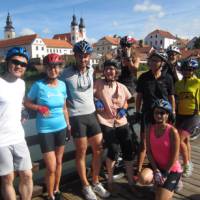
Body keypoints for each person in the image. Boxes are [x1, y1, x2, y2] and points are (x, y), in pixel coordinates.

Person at [60, 40, 110, 200]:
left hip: (92, 114)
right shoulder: (65, 73)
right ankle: (85, 186)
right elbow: (58, 90)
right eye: (80, 55)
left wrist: (98, 100)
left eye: (86, 55)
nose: (83, 58)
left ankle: (95, 181)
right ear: (75, 56)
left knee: (98, 149)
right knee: (81, 152)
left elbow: (92, 90)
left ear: (89, 56)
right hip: (76, 117)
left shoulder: (91, 70)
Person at [24, 53, 70, 200]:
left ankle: (56, 189)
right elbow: (26, 102)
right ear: (45, 68)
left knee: (59, 161)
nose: (53, 70)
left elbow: (64, 108)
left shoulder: (62, 85)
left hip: (61, 128)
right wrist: (38, 108)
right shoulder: (38, 85)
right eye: (50, 67)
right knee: (51, 167)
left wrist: (68, 124)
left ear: (60, 68)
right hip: (45, 130)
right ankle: (50, 195)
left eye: (56, 66)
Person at [94, 59, 136, 193]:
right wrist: (96, 101)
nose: (109, 71)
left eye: (112, 69)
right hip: (106, 122)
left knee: (128, 151)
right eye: (107, 69)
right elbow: (89, 96)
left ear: (116, 71)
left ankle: (131, 182)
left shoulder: (122, 86)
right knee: (113, 150)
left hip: (122, 122)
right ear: (103, 71)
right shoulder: (98, 84)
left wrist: (124, 108)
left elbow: (127, 102)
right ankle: (110, 181)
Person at [135, 50, 176, 175]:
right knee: (144, 144)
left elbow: (171, 97)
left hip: (163, 115)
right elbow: (139, 97)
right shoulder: (143, 77)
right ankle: (139, 170)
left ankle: (166, 168)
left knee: (165, 142)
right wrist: (137, 111)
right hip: (147, 113)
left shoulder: (168, 78)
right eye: (151, 60)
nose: (152, 63)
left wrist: (173, 112)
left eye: (156, 61)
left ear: (162, 63)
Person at [0, 47, 33, 200]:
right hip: (1, 141)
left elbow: (19, 104)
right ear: (8, 62)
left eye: (23, 64)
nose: (19, 66)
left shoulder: (21, 84)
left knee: (27, 175)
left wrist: (23, 111)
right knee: (7, 178)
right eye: (15, 62)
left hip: (18, 137)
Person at [139, 99, 182, 200]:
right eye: (156, 112)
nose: (158, 115)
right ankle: (158, 184)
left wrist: (165, 173)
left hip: (171, 169)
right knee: (142, 178)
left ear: (168, 115)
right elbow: (148, 152)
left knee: (160, 199)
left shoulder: (173, 131)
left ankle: (175, 182)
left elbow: (175, 156)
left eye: (162, 113)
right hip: (157, 167)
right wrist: (156, 170)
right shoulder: (149, 128)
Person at [175, 58, 200, 177]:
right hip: (180, 114)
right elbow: (175, 98)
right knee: (185, 140)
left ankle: (186, 165)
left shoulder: (198, 83)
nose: (187, 72)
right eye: (185, 69)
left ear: (194, 70)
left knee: (179, 140)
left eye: (190, 70)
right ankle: (189, 161)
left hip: (193, 115)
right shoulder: (178, 84)